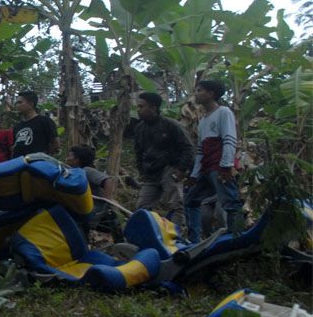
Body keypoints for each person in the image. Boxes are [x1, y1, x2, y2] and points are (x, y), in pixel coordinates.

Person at [184, 80, 244, 242]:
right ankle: (194, 240)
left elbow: (229, 139)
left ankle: (236, 237)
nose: (196, 93)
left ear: (211, 94)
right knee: (190, 201)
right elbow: (201, 149)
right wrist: (194, 174)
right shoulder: (203, 121)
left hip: (219, 167)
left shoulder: (223, 112)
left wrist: (226, 166)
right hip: (205, 168)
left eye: (200, 90)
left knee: (230, 203)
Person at [133, 92, 194, 227]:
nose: (138, 110)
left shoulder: (171, 125)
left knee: (175, 204)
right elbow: (138, 152)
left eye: (141, 106)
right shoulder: (139, 128)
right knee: (142, 207)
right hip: (151, 173)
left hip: (170, 168)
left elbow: (188, 148)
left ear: (153, 108)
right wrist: (141, 171)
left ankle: (178, 236)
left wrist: (181, 169)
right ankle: (149, 236)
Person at [66, 145, 120, 241]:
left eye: (70, 156)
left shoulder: (86, 170)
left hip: (97, 210)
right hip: (88, 210)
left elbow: (108, 180)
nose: (67, 158)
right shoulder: (72, 172)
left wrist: (107, 201)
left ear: (77, 160)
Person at [12, 90, 60, 157]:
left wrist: (41, 157)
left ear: (31, 104)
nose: (17, 105)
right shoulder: (17, 126)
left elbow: (56, 144)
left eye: (20, 102)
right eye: (16, 103)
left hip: (37, 164)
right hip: (19, 164)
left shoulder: (45, 121)